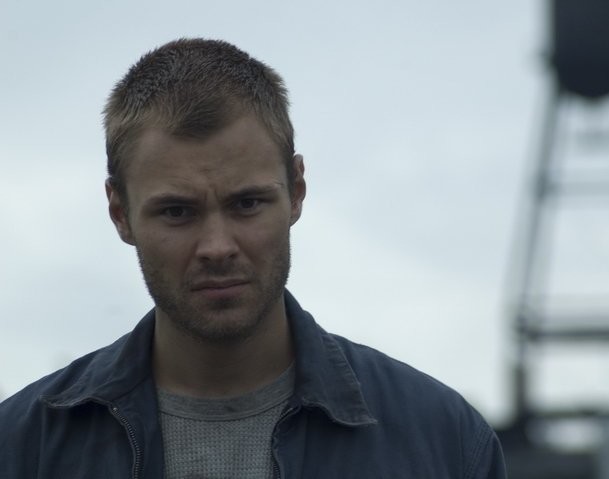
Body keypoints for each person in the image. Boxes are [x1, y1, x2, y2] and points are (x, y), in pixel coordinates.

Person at [0, 38, 506, 478]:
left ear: (297, 190)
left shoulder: (443, 440)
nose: (217, 247)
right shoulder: (22, 447)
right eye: (177, 212)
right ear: (120, 213)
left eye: (246, 204)